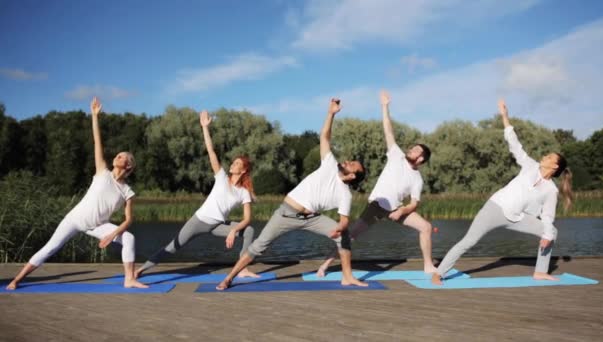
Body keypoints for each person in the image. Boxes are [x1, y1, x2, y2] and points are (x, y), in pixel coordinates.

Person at [215, 98, 367, 290]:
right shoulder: (329, 163)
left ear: (352, 175)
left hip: (311, 218)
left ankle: (347, 277)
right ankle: (229, 278)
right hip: (286, 213)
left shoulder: (345, 194)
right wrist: (331, 114)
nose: (347, 161)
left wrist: (340, 228)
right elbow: (325, 137)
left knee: (343, 237)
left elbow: (344, 220)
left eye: (351, 164)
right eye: (350, 161)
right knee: (258, 247)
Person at [6, 97, 147, 290]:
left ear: (128, 165)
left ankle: (129, 279)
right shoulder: (102, 171)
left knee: (129, 237)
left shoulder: (128, 192)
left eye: (121, 156)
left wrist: (112, 234)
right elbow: (97, 141)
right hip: (75, 219)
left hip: (98, 225)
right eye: (117, 154)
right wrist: (95, 116)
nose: (117, 156)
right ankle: (17, 279)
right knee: (50, 248)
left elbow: (128, 220)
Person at [431, 99, 573, 285]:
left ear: (554, 166)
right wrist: (505, 118)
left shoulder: (551, 190)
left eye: (548, 157)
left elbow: (547, 216)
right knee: (469, 241)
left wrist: (546, 236)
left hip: (517, 217)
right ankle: (439, 273)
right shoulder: (530, 166)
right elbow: (515, 145)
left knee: (550, 231)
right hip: (495, 208)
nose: (544, 156)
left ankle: (540, 272)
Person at [316, 90, 436, 277]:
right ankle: (324, 265)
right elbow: (388, 129)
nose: (411, 150)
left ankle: (428, 265)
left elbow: (415, 203)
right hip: (376, 205)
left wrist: (403, 211)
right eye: (412, 148)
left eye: (415, 150)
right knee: (352, 235)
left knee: (426, 227)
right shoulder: (396, 155)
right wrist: (385, 106)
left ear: (421, 159)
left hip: (396, 209)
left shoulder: (417, 179)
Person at [136, 110, 258, 279]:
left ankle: (242, 268)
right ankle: (140, 270)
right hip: (199, 221)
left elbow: (247, 219)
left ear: (243, 170)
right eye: (233, 162)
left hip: (217, 226)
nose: (232, 164)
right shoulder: (222, 178)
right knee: (172, 247)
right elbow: (211, 151)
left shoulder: (244, 192)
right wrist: (205, 128)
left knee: (249, 230)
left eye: (237, 163)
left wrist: (233, 231)